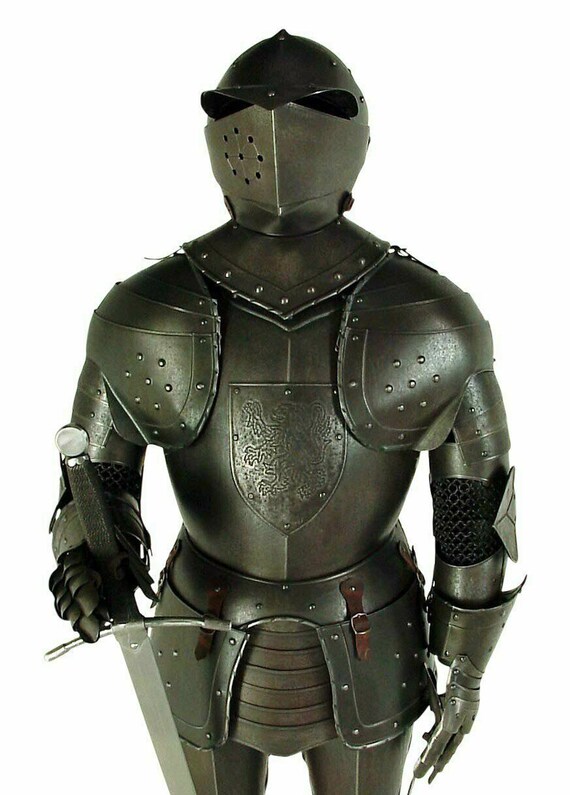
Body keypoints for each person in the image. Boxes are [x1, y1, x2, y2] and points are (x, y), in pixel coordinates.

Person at [48, 30, 521, 794]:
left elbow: (474, 511)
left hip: (330, 628)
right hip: (270, 627)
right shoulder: (431, 315)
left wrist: (464, 668)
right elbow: (96, 491)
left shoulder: (150, 308)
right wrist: (91, 562)